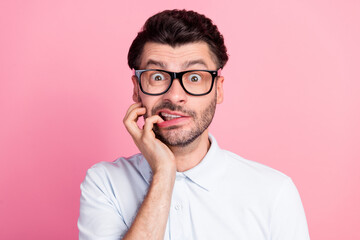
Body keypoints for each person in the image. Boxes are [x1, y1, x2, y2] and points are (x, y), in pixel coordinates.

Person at [78, 9, 310, 240]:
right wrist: (164, 172)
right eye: (157, 77)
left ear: (218, 89)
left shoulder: (274, 192)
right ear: (137, 89)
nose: (175, 96)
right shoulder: (105, 184)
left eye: (195, 77)